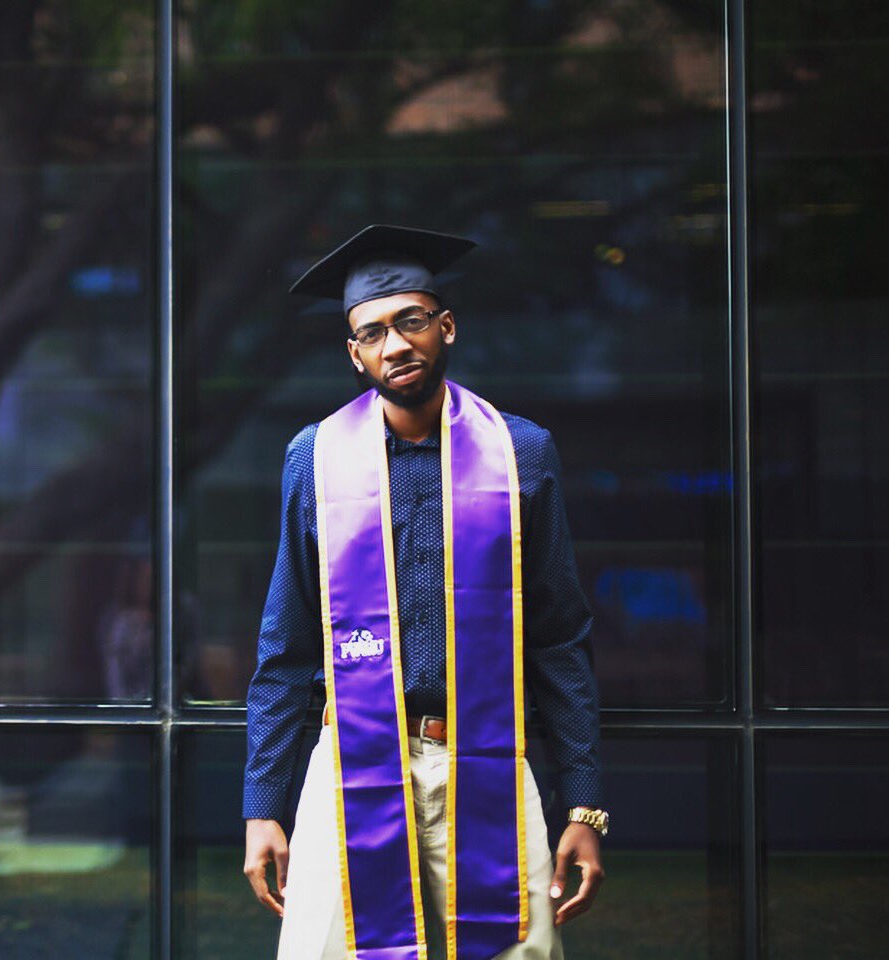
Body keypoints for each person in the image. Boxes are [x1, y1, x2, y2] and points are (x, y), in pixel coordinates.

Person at [243, 224, 608, 960]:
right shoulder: (313, 458)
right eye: (371, 332)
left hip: (488, 763)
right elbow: (286, 648)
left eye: (410, 322)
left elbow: (558, 635)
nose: (395, 345)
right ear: (353, 353)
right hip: (349, 763)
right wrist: (263, 808)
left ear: (444, 327)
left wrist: (582, 804)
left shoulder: (519, 452)